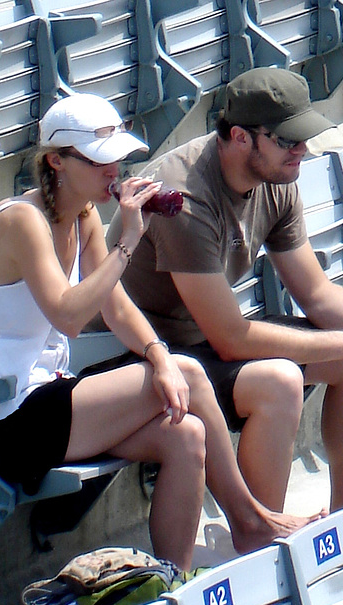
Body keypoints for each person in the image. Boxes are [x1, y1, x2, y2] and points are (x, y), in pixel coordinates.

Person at [0, 92, 321, 572]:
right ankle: (250, 519)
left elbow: (117, 307)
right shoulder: (22, 219)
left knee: (183, 434)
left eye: (118, 159)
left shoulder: (80, 216)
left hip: (46, 396)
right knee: (187, 371)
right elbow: (69, 316)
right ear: (57, 161)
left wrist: (157, 356)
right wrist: (128, 239)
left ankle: (171, 583)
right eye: (102, 161)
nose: (115, 171)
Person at [107, 67, 343, 513]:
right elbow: (231, 340)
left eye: (303, 138)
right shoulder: (183, 200)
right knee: (280, 381)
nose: (303, 151)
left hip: (203, 343)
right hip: (144, 354)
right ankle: (262, 543)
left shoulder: (275, 178)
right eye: (288, 140)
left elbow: (316, 295)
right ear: (240, 137)